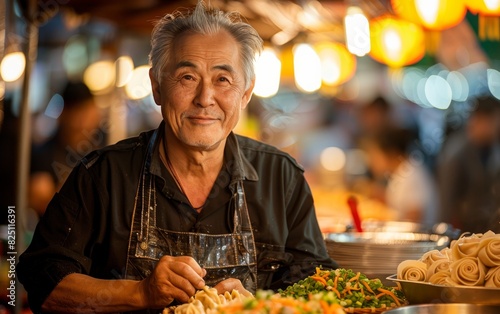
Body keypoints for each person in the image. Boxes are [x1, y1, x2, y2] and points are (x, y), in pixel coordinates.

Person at [17, 1, 336, 313]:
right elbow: (44, 285)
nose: (205, 98)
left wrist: (257, 304)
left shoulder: (281, 178)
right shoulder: (102, 176)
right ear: (157, 86)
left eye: (223, 79)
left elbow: (320, 287)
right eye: (187, 77)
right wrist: (140, 293)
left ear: (246, 93)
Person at [29, 81, 104, 218]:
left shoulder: (103, 154)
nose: (82, 120)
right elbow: (42, 201)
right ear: (64, 113)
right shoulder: (43, 154)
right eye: (77, 111)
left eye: (86, 111)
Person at [437, 95, 500, 234]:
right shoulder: (456, 153)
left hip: (488, 231)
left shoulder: (493, 147)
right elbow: (446, 203)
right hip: (462, 233)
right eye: (495, 121)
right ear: (480, 119)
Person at [362, 126, 438, 228]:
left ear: (391, 153)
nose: (371, 162)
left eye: (375, 155)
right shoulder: (402, 172)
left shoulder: (412, 175)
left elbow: (414, 219)